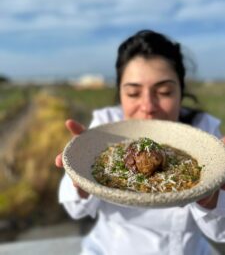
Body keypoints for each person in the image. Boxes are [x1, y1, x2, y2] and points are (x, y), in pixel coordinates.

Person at [56, 30, 225, 255]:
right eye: (134, 93)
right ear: (120, 93)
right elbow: (75, 210)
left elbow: (221, 232)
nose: (148, 106)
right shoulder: (104, 129)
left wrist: (210, 196)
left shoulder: (204, 135)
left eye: (164, 91)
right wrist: (80, 176)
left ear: (181, 92)